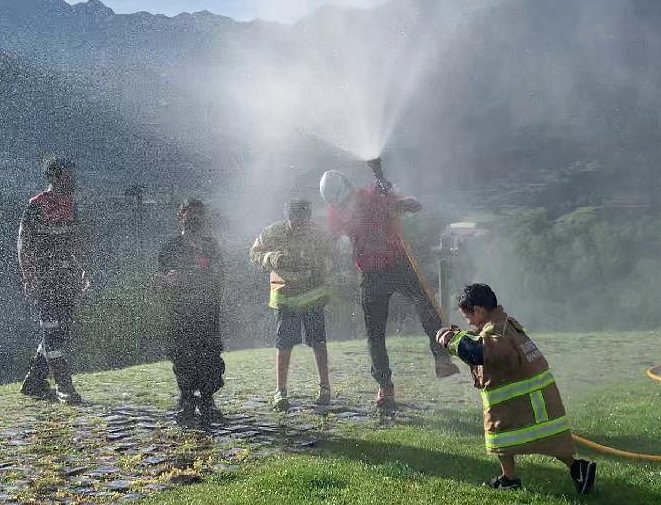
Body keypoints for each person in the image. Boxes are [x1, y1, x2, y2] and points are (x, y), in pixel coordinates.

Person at [436, 284, 596, 494]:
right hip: (528, 398)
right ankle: (512, 478)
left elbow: (477, 352)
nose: (469, 322)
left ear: (479, 310)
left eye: (468, 316)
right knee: (508, 437)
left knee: (524, 436)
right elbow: (480, 342)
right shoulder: (503, 324)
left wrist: (449, 340)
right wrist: (461, 335)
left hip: (524, 399)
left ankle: (576, 468)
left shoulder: (498, 332)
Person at [320, 169, 459, 410]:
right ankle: (385, 386)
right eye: (341, 204)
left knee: (426, 303)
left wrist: (394, 196)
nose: (345, 206)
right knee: (375, 334)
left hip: (398, 263)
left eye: (346, 200)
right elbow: (341, 232)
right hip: (371, 274)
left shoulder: (373, 193)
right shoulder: (339, 213)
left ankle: (441, 357)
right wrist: (383, 199)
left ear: (350, 189)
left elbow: (415, 205)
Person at [18, 157, 90, 405]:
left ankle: (34, 382)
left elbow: (76, 240)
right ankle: (64, 387)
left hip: (67, 278)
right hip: (44, 279)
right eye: (68, 177)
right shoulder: (36, 205)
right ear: (54, 178)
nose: (73, 181)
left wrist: (84, 270)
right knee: (53, 332)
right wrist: (29, 277)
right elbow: (23, 244)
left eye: (73, 176)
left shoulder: (71, 205)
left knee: (62, 332)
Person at [250, 199, 334, 411]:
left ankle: (325, 388)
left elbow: (334, 255)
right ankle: (281, 391)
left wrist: (319, 265)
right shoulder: (272, 232)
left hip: (313, 295)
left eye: (303, 222)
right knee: (284, 344)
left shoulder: (319, 233)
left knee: (318, 342)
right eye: (295, 222)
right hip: (285, 297)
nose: (299, 226)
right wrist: (273, 259)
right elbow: (254, 253)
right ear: (288, 218)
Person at [156, 199, 226, 425]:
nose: (194, 219)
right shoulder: (170, 247)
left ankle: (207, 400)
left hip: (207, 312)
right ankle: (186, 399)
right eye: (189, 214)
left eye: (199, 215)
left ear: (205, 219)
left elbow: (218, 275)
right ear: (181, 216)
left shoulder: (210, 246)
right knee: (183, 357)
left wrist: (192, 278)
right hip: (181, 313)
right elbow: (161, 280)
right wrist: (172, 280)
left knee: (210, 356)